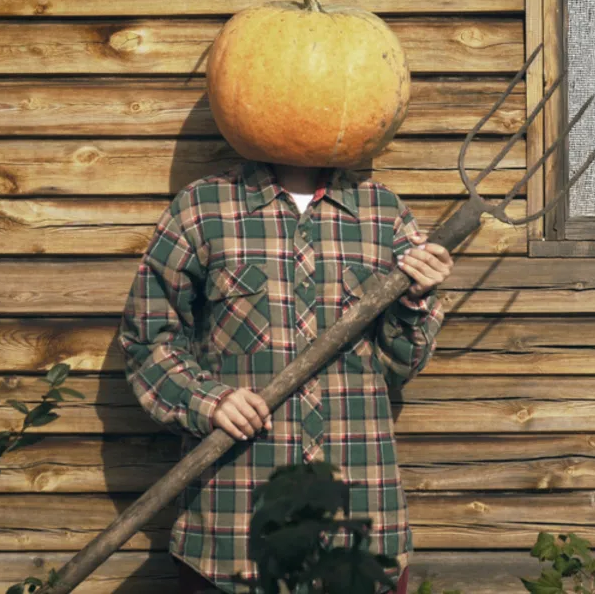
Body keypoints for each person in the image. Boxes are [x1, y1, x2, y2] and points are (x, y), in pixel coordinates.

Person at [118, 160, 453, 593]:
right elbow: (147, 339)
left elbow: (400, 365)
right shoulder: (202, 208)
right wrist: (208, 401)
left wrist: (414, 301)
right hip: (235, 536)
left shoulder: (383, 213)